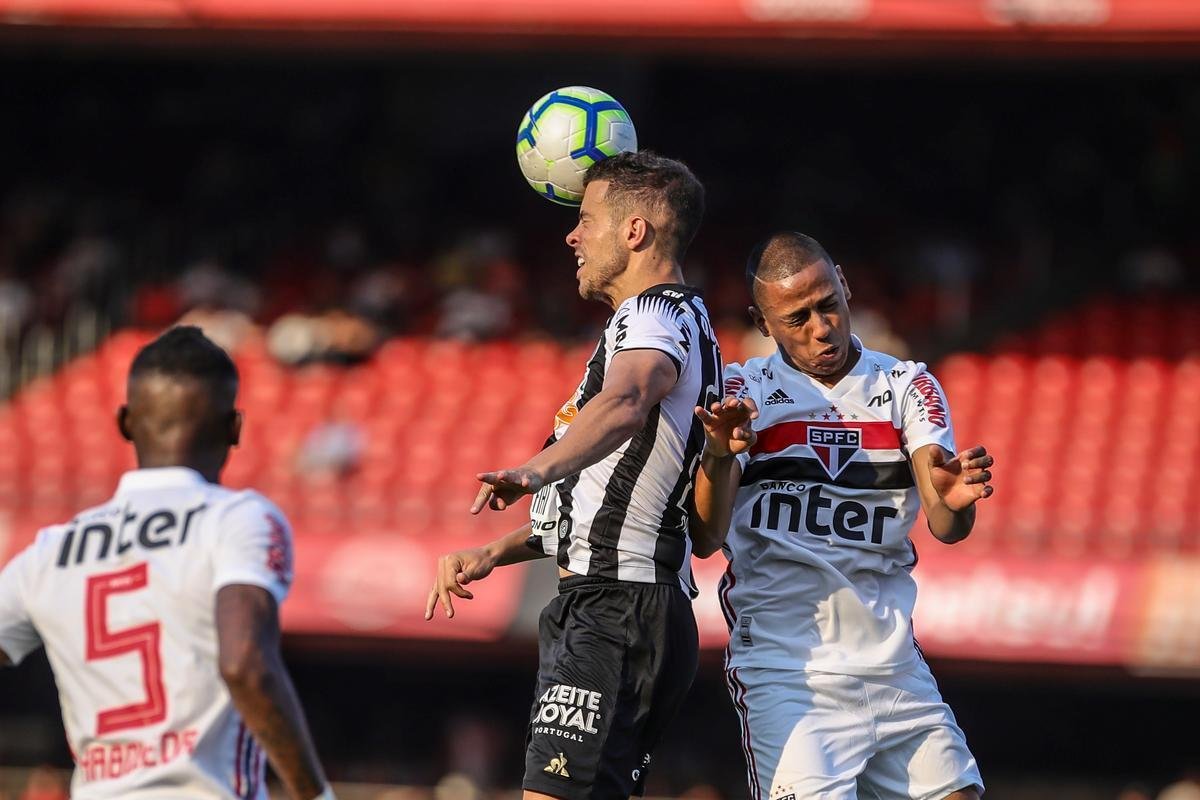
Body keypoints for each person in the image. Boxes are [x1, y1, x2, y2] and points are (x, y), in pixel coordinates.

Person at [425, 151, 720, 800]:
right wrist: (496, 551)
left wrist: (531, 471)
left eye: (587, 219)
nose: (572, 235)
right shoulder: (671, 320)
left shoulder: (654, 318)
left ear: (635, 231)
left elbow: (627, 400)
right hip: (612, 604)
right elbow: (608, 489)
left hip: (616, 608)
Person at [690, 232, 992, 800]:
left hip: (894, 665)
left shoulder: (907, 386)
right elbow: (706, 538)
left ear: (846, 286)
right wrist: (717, 454)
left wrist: (953, 505)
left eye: (828, 303)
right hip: (790, 672)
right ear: (762, 322)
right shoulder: (742, 393)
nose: (821, 328)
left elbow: (946, 525)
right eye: (797, 317)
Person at [0, 326, 333, 800]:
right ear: (234, 428)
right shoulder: (237, 519)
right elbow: (245, 665)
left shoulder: (52, 548)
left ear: (124, 422)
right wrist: (315, 795)